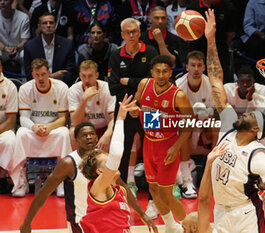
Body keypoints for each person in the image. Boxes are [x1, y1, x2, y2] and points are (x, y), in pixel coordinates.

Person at [199, 9, 265, 232]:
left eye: (250, 115)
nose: (244, 113)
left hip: (246, 215)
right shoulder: (229, 124)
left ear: (256, 129)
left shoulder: (259, 159)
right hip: (220, 212)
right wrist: (210, 40)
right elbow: (216, 81)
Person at [20, 121, 157, 233]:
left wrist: (142, 214)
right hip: (81, 223)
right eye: (84, 135)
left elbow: (122, 187)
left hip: (104, 220)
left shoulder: (102, 158)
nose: (89, 137)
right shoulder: (68, 163)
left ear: (97, 137)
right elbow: (44, 193)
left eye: (92, 134)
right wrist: (27, 222)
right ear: (77, 140)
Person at [131, 55, 193, 232]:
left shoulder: (178, 95)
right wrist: (135, 110)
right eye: (157, 71)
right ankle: (171, 227)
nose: (161, 75)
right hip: (149, 143)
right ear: (152, 72)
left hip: (168, 146)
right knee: (153, 189)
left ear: (171, 73)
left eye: (165, 71)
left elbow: (189, 123)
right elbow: (137, 104)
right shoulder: (144, 85)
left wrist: (176, 147)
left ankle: (188, 226)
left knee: (166, 193)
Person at [79, 94, 140, 233]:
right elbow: (117, 154)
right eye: (107, 160)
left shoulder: (120, 191)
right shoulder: (98, 188)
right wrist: (120, 119)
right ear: (100, 172)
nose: (112, 161)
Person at [107, 17, 157, 183]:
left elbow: (153, 83)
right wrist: (139, 83)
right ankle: (121, 190)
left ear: (140, 32)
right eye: (127, 32)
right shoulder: (115, 55)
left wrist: (128, 81)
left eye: (134, 31)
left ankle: (154, 195)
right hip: (123, 108)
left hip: (149, 108)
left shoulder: (151, 52)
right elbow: (113, 88)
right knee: (121, 151)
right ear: (122, 34)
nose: (131, 35)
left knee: (154, 151)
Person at [12, 58, 71, 197]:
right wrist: (34, 127)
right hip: (34, 129)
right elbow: (24, 118)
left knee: (64, 133)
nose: (40, 78)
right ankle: (21, 182)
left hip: (53, 129)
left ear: (49, 73)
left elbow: (63, 118)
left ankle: (61, 182)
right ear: (32, 74)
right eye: (37, 75)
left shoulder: (61, 87)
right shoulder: (25, 89)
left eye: (43, 74)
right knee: (21, 133)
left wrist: (49, 127)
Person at [175, 50, 217, 199]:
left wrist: (203, 118)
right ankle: (187, 181)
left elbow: (213, 113)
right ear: (187, 67)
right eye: (193, 65)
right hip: (185, 126)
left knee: (216, 124)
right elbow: (177, 115)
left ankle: (215, 170)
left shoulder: (210, 84)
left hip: (203, 123)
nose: (196, 69)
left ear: (204, 67)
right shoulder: (178, 85)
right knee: (185, 124)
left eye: (199, 65)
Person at [68, 60, 116, 152]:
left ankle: (105, 165)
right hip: (83, 127)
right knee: (73, 132)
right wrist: (84, 99)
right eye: (83, 76)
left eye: (90, 76)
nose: (86, 80)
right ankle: (79, 164)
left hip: (104, 126)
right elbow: (75, 122)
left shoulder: (107, 89)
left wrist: (107, 135)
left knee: (113, 132)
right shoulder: (73, 90)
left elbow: (114, 118)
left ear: (96, 75)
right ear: (79, 75)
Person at [187, 0, 236, 84]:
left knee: (222, 83)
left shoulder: (227, 6)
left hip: (220, 53)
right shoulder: (192, 6)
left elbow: (230, 32)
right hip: (197, 52)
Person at [24, 13, 76, 87]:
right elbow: (30, 75)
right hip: (38, 87)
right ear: (39, 26)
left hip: (61, 87)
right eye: (45, 23)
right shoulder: (30, 46)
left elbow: (70, 73)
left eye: (51, 23)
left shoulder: (67, 44)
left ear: (55, 25)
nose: (48, 25)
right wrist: (52, 76)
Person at [140, 6, 186, 70]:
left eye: (163, 18)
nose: (160, 21)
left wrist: (160, 41)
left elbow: (171, 64)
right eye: (156, 18)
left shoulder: (176, 40)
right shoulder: (141, 38)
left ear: (167, 20)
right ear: (150, 19)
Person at [0, 57, 18, 194]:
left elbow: (11, 121)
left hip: (4, 128)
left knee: (10, 140)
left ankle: (2, 177)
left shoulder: (9, 86)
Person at [0, 0, 30, 73]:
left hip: (19, 49)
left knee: (25, 54)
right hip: (2, 50)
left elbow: (25, 39)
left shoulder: (23, 17)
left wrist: (17, 48)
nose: (2, 2)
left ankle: (24, 81)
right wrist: (4, 48)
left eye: (5, 0)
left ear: (12, 1)